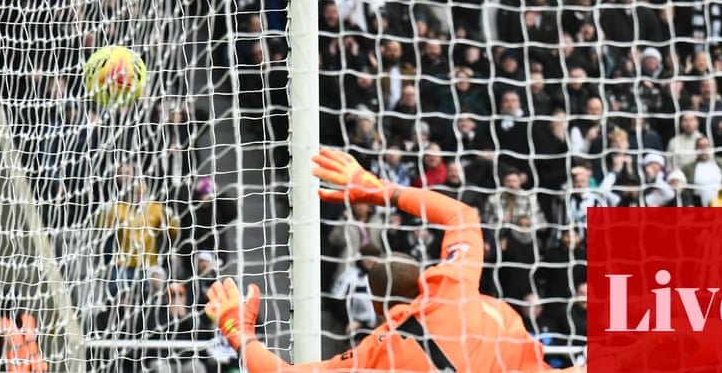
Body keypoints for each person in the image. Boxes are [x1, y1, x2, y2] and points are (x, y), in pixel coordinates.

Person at [206, 148, 554, 371]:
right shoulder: (451, 287)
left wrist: (238, 331)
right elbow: (462, 215)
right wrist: (380, 189)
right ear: (423, 279)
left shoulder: (374, 355)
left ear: (377, 307)